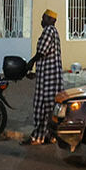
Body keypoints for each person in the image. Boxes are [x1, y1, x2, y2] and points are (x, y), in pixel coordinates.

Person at [22, 9, 63, 146]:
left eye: (44, 18)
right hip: (50, 76)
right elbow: (47, 56)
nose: (42, 21)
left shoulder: (49, 30)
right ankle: (51, 136)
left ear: (52, 20)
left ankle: (38, 137)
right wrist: (36, 74)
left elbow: (41, 51)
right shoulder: (54, 32)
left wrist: (31, 62)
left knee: (41, 107)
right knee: (50, 108)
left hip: (49, 79)